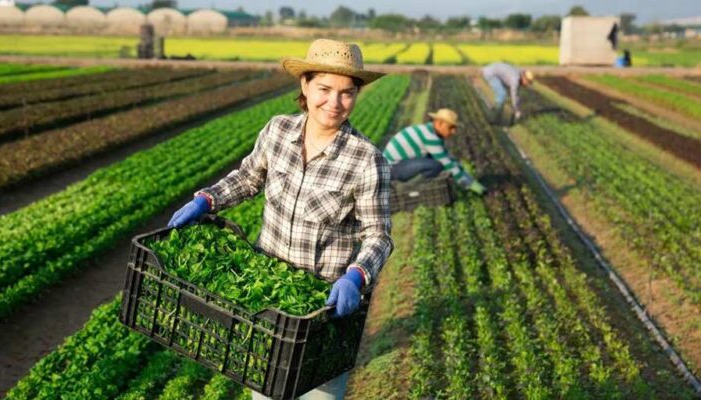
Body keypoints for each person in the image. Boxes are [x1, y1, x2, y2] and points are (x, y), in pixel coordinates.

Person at [167, 38, 393, 400]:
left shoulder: (367, 160)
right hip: (268, 300)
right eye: (324, 89)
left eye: (347, 93)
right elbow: (248, 178)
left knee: (316, 394)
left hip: (322, 309)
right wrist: (207, 200)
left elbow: (379, 235)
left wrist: (357, 275)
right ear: (305, 85)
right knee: (265, 388)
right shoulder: (277, 130)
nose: (334, 103)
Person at [383, 108, 486, 195]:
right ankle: (409, 189)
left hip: (394, 165)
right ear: (439, 123)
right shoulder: (430, 138)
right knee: (437, 165)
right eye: (451, 128)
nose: (453, 131)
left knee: (435, 160)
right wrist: (469, 184)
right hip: (391, 168)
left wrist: (466, 175)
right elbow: (447, 163)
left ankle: (409, 186)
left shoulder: (430, 131)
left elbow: (448, 157)